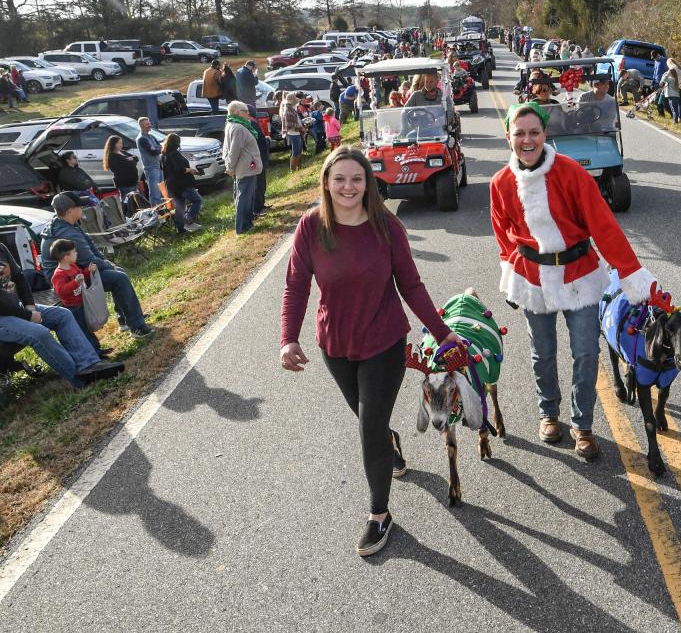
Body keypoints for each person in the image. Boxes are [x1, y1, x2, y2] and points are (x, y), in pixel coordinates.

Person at [280, 146, 466, 557]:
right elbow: (297, 285)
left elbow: (411, 286)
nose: (348, 186)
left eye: (357, 179)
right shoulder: (312, 227)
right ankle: (390, 443)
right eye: (340, 179)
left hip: (384, 342)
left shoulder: (387, 227)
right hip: (336, 345)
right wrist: (288, 338)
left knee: (368, 429)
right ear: (327, 183)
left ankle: (379, 515)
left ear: (368, 184)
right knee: (371, 423)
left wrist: (442, 333)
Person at [489, 103, 657, 460]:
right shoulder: (501, 183)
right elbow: (502, 231)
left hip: (580, 274)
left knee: (585, 353)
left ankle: (583, 425)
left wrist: (629, 271)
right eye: (519, 133)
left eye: (534, 132)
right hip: (533, 279)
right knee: (543, 353)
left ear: (545, 134)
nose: (527, 139)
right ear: (509, 138)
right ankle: (548, 413)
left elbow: (603, 225)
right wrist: (510, 268)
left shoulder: (570, 173)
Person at [1, 241, 122, 388]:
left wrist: (30, 307)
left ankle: (88, 365)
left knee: (62, 315)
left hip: (17, 307)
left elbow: (19, 277)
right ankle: (79, 379)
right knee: (40, 334)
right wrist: (28, 316)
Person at [39, 192, 154, 338]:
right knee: (118, 278)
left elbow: (91, 249)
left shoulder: (66, 223)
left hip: (75, 271)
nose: (82, 209)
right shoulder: (67, 232)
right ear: (69, 211)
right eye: (79, 207)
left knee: (118, 273)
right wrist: (108, 265)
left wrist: (107, 263)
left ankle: (126, 320)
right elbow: (89, 261)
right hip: (67, 280)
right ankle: (137, 327)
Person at [49, 239, 105, 354]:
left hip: (82, 302)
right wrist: (75, 282)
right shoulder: (59, 274)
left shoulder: (73, 266)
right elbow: (61, 291)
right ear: (66, 256)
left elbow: (81, 275)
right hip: (74, 308)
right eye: (74, 252)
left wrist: (88, 271)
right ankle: (95, 353)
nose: (76, 253)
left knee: (88, 328)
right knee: (83, 330)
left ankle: (98, 350)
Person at [222, 101, 262, 234]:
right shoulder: (238, 128)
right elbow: (234, 150)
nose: (248, 114)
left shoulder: (232, 124)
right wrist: (230, 167)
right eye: (246, 111)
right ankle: (242, 227)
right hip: (245, 167)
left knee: (246, 196)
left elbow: (227, 149)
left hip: (245, 166)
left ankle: (247, 223)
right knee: (244, 197)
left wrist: (229, 165)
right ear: (238, 112)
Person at [160, 133, 204, 233]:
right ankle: (188, 219)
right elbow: (179, 169)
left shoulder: (163, 155)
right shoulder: (174, 154)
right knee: (197, 200)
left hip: (171, 185)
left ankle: (180, 229)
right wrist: (190, 170)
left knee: (180, 206)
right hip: (182, 183)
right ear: (177, 143)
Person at [136, 117, 164, 206]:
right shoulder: (141, 139)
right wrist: (157, 148)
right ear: (142, 126)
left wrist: (157, 148)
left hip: (159, 166)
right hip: (151, 168)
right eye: (147, 124)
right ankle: (156, 214)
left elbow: (160, 147)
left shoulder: (151, 136)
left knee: (161, 191)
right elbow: (154, 151)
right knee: (155, 193)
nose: (150, 125)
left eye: (149, 123)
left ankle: (164, 212)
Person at [280, 93, 305, 171]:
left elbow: (296, 122)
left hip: (297, 133)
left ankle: (298, 167)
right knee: (295, 153)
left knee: (299, 151)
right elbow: (291, 126)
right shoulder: (288, 111)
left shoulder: (291, 109)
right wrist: (302, 129)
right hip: (294, 134)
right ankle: (293, 170)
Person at [652, 50, 668, 118]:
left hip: (663, 84)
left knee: (661, 101)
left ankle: (672, 114)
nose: (654, 59)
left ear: (658, 54)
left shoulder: (664, 60)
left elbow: (668, 72)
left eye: (655, 57)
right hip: (656, 84)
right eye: (653, 58)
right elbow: (655, 73)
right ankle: (661, 115)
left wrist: (664, 82)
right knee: (656, 101)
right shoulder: (655, 61)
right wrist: (653, 83)